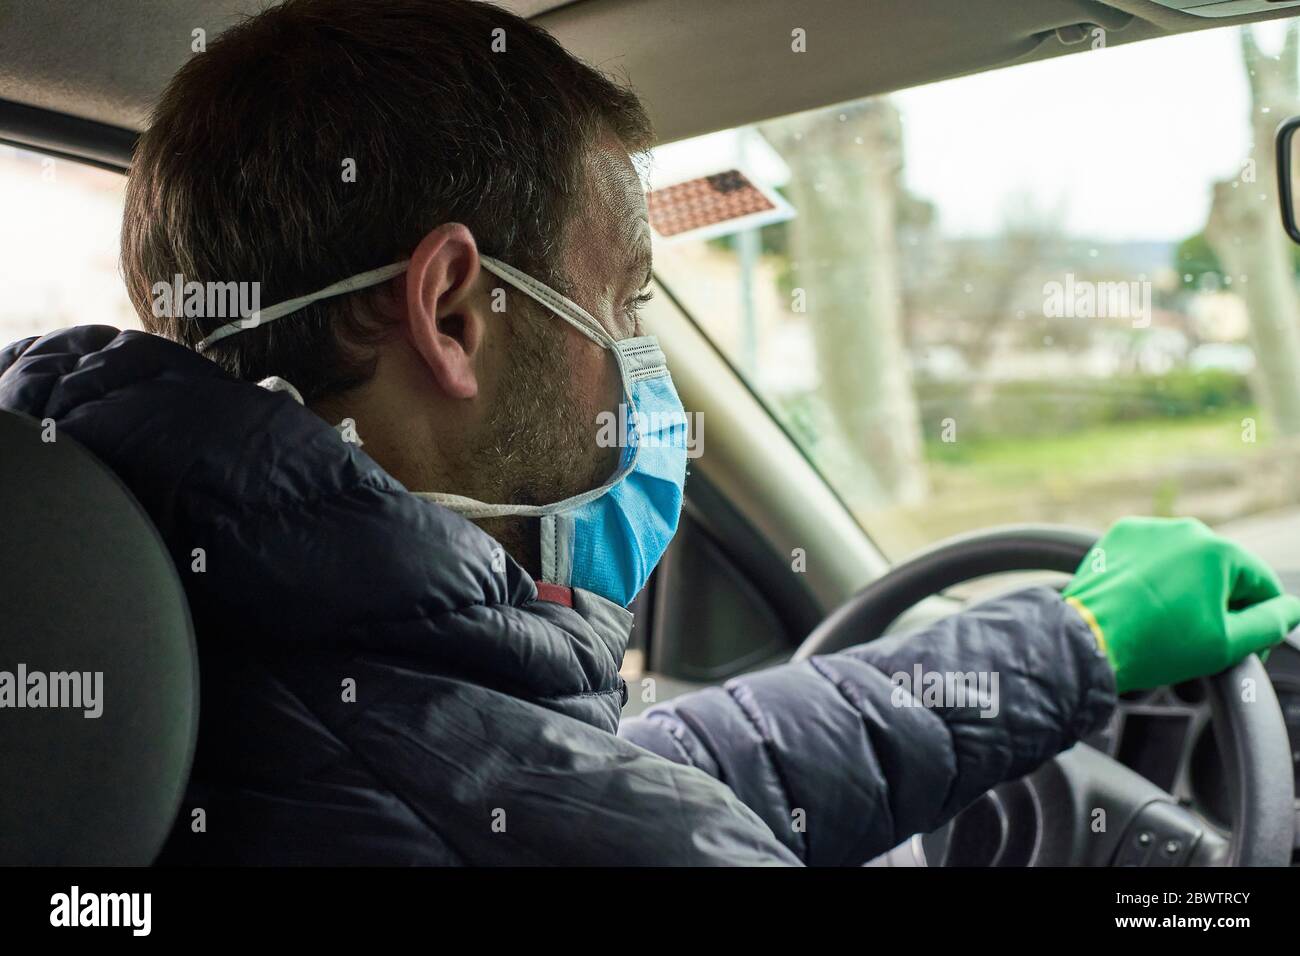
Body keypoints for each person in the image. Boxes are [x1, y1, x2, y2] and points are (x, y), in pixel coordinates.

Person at [2, 0, 1296, 865]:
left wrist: (1069, 640)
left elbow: (595, 766)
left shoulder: (161, 635)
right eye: (626, 301)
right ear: (455, 312)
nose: (645, 367)